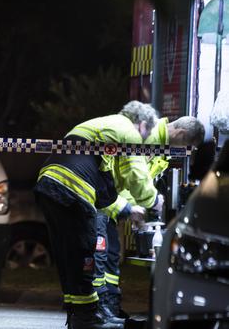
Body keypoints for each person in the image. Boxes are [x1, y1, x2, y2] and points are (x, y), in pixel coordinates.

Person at [35, 101, 159, 329]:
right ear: (142, 125)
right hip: (72, 190)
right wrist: (153, 202)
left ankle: (78, 314)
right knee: (85, 255)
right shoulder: (128, 130)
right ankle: (87, 320)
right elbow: (136, 173)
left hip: (48, 184)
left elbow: (104, 192)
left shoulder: (101, 126)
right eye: (144, 137)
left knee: (68, 256)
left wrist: (127, 210)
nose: (142, 142)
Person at [93, 114, 204, 320]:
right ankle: (98, 311)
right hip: (105, 201)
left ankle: (108, 307)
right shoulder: (149, 137)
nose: (185, 152)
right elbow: (133, 176)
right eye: (187, 146)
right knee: (101, 257)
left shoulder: (160, 145)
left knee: (110, 257)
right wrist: (144, 204)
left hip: (114, 203)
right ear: (180, 133)